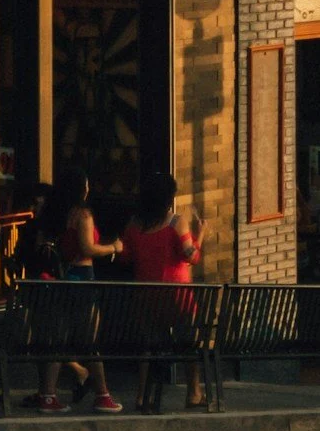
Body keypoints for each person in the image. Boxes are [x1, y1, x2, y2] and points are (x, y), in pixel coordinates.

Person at [30, 171, 120, 414]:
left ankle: (48, 394)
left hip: (58, 280)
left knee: (57, 339)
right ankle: (102, 394)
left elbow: (40, 246)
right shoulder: (83, 214)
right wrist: (113, 247)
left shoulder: (50, 213)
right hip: (82, 278)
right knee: (90, 340)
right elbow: (87, 247)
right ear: (82, 189)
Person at [120, 173, 204, 410]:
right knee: (189, 341)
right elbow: (192, 256)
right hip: (177, 295)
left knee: (148, 346)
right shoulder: (176, 223)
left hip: (146, 296)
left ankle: (141, 395)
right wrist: (201, 236)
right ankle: (194, 393)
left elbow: (125, 257)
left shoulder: (134, 225)